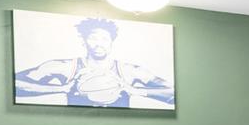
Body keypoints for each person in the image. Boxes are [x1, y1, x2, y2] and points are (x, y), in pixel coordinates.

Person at [14, 16, 173, 107]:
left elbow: (173, 93)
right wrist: (64, 88)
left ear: (112, 42)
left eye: (104, 39)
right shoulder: (65, 67)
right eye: (93, 38)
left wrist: (136, 91)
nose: (99, 43)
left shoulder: (129, 71)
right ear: (84, 41)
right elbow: (15, 84)